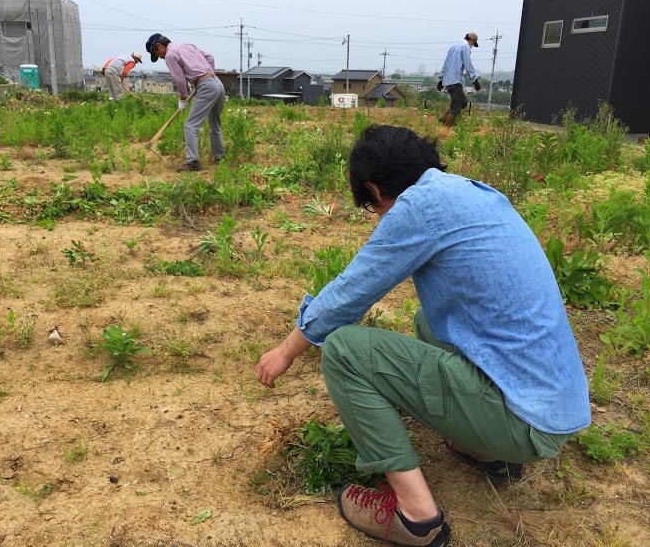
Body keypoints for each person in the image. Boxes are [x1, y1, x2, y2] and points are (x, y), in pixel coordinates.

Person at [255, 126, 590, 547]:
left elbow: (349, 294)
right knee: (429, 320)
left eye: (372, 207)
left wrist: (285, 351)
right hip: (552, 404)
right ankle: (486, 452)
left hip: (523, 420)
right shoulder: (474, 192)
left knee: (343, 350)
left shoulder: (418, 208)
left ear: (374, 189)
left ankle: (417, 518)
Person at [145, 33, 225, 173]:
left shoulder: (170, 55)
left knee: (190, 126)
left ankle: (192, 163)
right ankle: (219, 158)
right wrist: (207, 76)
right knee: (215, 124)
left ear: (159, 46)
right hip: (217, 83)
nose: (160, 57)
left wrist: (183, 97)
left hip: (207, 86)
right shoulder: (187, 46)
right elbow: (210, 57)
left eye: (157, 54)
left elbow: (180, 80)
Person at [437, 33, 481, 127]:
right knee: (456, 107)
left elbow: (446, 64)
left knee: (463, 102)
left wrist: (441, 80)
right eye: (473, 44)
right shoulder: (465, 47)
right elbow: (468, 64)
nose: (472, 46)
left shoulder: (453, 47)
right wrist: (475, 80)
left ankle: (442, 118)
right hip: (455, 80)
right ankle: (447, 129)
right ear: (472, 40)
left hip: (448, 81)